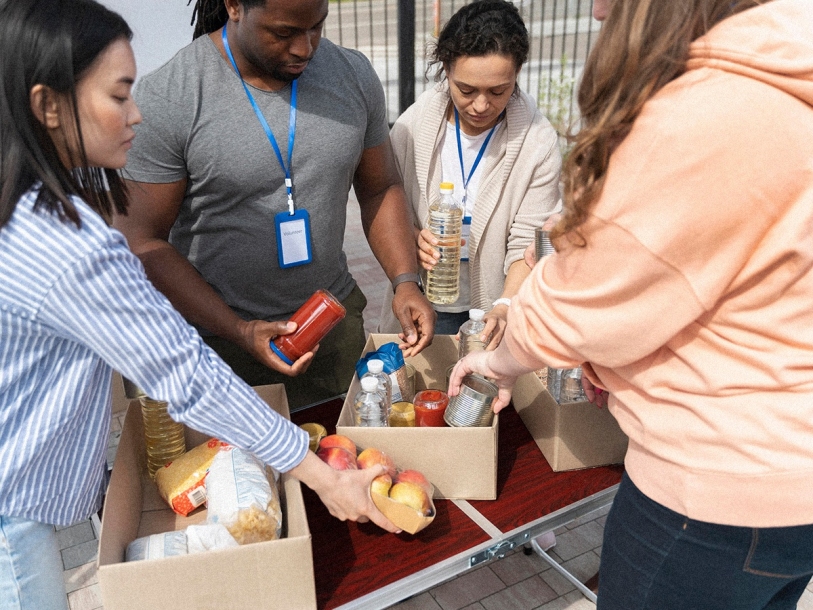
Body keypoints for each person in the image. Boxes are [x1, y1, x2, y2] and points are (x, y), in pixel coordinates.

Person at [0, 1, 398, 607]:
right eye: (119, 96)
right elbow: (184, 371)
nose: (138, 116)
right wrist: (320, 475)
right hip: (13, 525)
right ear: (48, 107)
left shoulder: (31, 209)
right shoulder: (71, 246)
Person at [450, 0, 813, 608]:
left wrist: (503, 359)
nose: (596, 10)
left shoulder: (704, 115)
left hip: (714, 492)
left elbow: (590, 293)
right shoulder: (787, 83)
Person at [114, 0, 435, 410]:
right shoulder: (172, 95)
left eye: (317, 27)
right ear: (233, 6)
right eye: (283, 33)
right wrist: (240, 330)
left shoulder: (352, 75)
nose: (305, 48)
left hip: (329, 336)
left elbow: (379, 187)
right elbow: (142, 241)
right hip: (215, 349)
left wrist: (405, 281)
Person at [378, 0, 561, 344]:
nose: (480, 105)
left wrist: (505, 306)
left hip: (495, 306)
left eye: (497, 91)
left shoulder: (537, 142)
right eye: (466, 90)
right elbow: (387, 203)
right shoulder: (411, 129)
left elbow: (529, 241)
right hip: (427, 301)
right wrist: (412, 236)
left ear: (517, 73)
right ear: (445, 69)